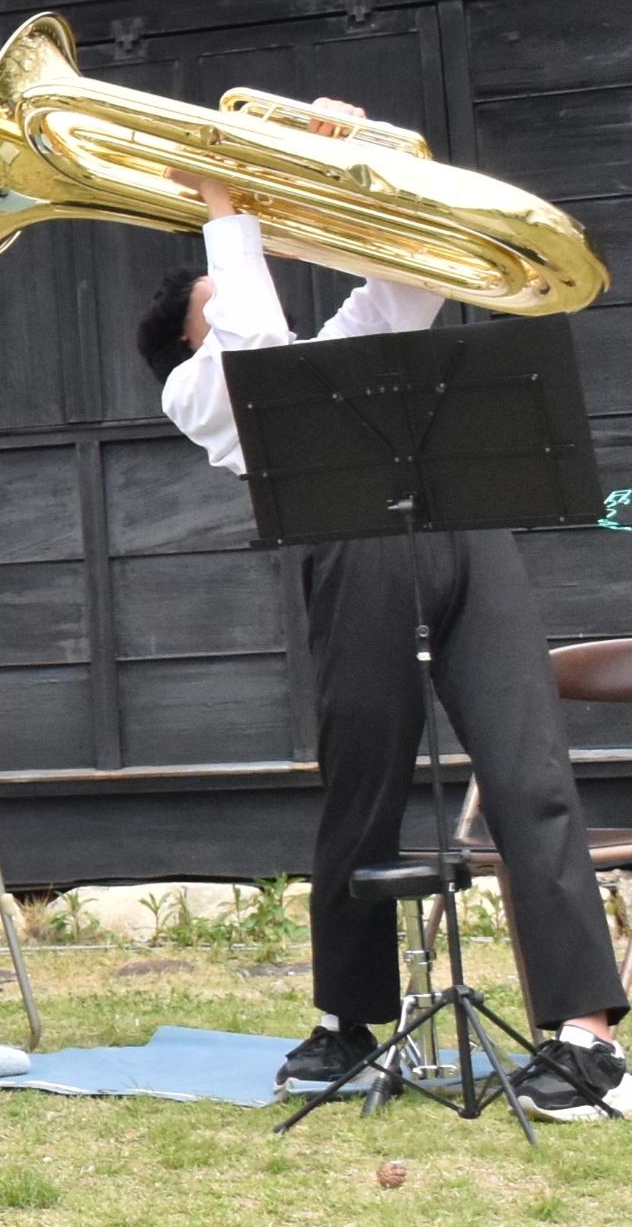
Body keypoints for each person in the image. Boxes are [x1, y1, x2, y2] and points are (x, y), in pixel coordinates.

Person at [138, 100, 630, 1118]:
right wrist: (226, 209)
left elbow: (406, 284)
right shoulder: (193, 391)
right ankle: (346, 1018)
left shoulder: (331, 346)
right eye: (213, 289)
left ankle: (584, 1035)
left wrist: (354, 158)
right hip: (348, 545)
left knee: (528, 765)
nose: (233, 282)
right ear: (187, 334)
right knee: (361, 775)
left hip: (462, 523)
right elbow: (256, 340)